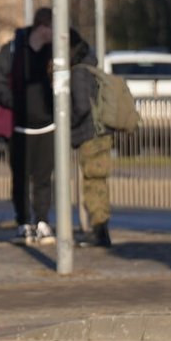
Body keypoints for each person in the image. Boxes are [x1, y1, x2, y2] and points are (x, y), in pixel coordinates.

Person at [0, 7, 55, 244]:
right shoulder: (14, 49)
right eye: (52, 28)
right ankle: (23, 222)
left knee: (44, 178)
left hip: (47, 126)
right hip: (19, 127)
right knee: (21, 178)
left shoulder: (55, 51)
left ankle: (42, 221)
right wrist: (14, 103)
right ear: (43, 28)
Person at [70, 40, 113, 248]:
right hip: (101, 133)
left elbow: (81, 106)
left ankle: (99, 230)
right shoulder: (93, 69)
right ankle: (100, 228)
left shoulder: (78, 73)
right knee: (99, 182)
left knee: (92, 183)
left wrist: (68, 125)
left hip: (90, 135)